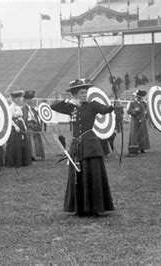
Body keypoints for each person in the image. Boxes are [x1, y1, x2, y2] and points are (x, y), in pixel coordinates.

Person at [50, 78, 116, 217]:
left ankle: (94, 208)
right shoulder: (71, 107)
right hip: (76, 146)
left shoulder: (93, 105)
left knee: (91, 174)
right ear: (74, 95)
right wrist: (69, 102)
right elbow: (53, 106)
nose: (84, 95)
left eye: (85, 93)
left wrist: (111, 106)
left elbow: (105, 109)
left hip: (90, 145)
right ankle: (79, 208)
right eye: (81, 93)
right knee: (77, 176)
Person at [5, 91, 32, 167]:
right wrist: (15, 126)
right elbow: (9, 119)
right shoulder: (10, 108)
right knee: (15, 144)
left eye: (19, 98)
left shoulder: (18, 107)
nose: (19, 100)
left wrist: (24, 126)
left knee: (22, 143)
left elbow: (21, 118)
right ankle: (14, 161)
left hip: (20, 126)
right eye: (17, 98)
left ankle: (22, 161)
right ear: (14, 99)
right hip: (14, 128)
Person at [22, 90, 45, 161]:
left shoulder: (33, 109)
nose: (30, 101)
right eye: (28, 99)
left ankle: (36, 154)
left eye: (31, 99)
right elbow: (24, 118)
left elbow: (37, 116)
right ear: (25, 100)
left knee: (36, 140)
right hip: (28, 127)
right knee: (30, 140)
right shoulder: (23, 109)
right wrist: (30, 119)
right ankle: (30, 155)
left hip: (35, 126)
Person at [127, 89, 150, 155]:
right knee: (135, 135)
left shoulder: (143, 103)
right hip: (135, 121)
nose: (140, 98)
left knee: (142, 134)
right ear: (136, 97)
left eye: (140, 98)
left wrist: (145, 111)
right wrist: (134, 110)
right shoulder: (132, 103)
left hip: (142, 121)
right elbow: (128, 111)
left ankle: (143, 148)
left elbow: (146, 109)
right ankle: (136, 148)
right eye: (138, 97)